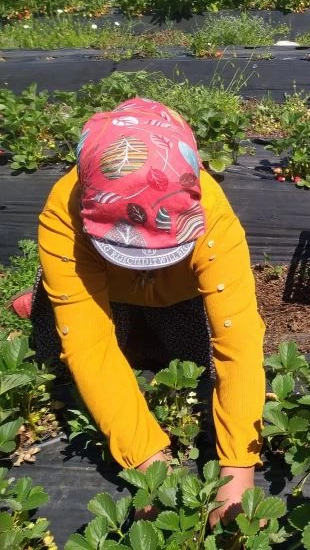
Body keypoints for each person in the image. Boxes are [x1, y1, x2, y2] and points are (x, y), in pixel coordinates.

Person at [10, 98, 266, 525]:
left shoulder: (213, 217)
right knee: (58, 353)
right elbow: (90, 346)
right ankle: (44, 295)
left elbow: (237, 338)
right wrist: (150, 464)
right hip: (107, 290)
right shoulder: (63, 216)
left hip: (178, 293)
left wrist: (238, 469)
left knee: (195, 363)